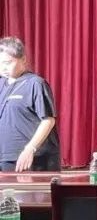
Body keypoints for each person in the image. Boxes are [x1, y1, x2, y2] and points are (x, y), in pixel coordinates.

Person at [0, 37, 60, 171]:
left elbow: (48, 120)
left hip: (31, 158)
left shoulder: (35, 83)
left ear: (23, 59)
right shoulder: (2, 84)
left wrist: (30, 149)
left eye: (7, 63)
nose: (3, 67)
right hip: (5, 156)